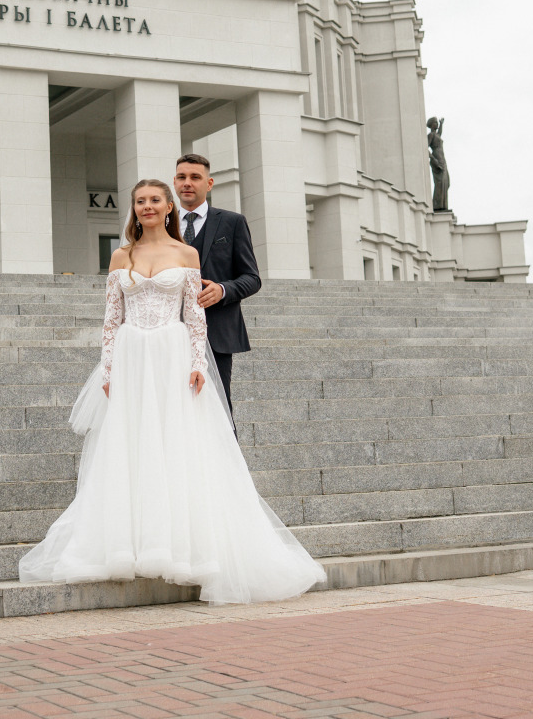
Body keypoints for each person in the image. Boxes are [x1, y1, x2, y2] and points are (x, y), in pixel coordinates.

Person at [18, 179, 324, 604]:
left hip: (172, 354)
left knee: (177, 443)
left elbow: (194, 314)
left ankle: (185, 550)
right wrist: (108, 368)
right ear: (134, 208)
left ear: (168, 208)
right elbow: (111, 317)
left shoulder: (187, 254)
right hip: (130, 358)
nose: (146, 206)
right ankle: (127, 546)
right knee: (131, 446)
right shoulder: (120, 255)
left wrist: (199, 362)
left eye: (154, 201)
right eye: (139, 201)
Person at [173, 153, 261, 422]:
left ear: (209, 184)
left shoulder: (232, 222)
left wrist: (223, 290)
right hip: (168, 333)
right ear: (174, 183)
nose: (187, 183)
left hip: (217, 334)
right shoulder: (161, 226)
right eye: (181, 177)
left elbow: (252, 277)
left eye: (195, 177)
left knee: (218, 413)